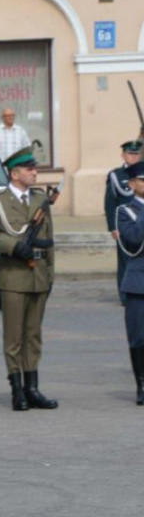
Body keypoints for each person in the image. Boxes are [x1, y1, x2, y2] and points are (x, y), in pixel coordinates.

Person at [0, 145, 59, 411]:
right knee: (14, 337)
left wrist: (50, 275)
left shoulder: (38, 200)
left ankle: (33, 387)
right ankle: (17, 389)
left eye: (35, 168)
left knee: (33, 335)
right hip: (13, 277)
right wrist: (11, 245)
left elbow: (49, 241)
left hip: (38, 276)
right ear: (14, 173)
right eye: (29, 169)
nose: (35, 172)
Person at [115, 160, 144, 405]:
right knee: (138, 338)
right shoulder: (126, 211)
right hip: (138, 283)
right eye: (143, 180)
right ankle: (142, 386)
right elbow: (134, 240)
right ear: (132, 184)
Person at [106, 139, 143, 306]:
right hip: (126, 221)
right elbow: (110, 202)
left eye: (136, 154)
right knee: (125, 260)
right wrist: (112, 227)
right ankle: (125, 294)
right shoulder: (116, 175)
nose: (133, 157)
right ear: (123, 155)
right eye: (130, 153)